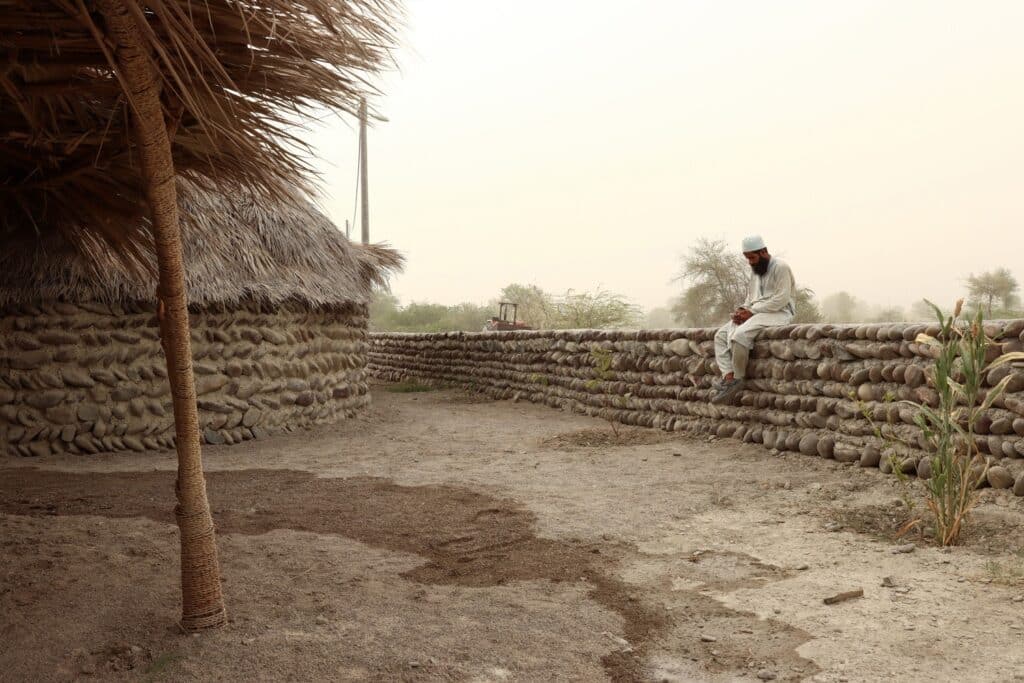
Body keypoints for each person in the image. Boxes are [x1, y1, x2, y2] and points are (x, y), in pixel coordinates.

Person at [711, 235, 796, 405]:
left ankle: (738, 379)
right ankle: (728, 378)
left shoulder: (781, 267)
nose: (750, 262)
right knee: (720, 336)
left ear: (763, 252)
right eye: (747, 258)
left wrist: (751, 311)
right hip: (756, 313)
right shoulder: (756, 271)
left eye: (752, 257)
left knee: (740, 335)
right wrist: (741, 311)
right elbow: (750, 298)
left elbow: (781, 299)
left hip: (778, 313)